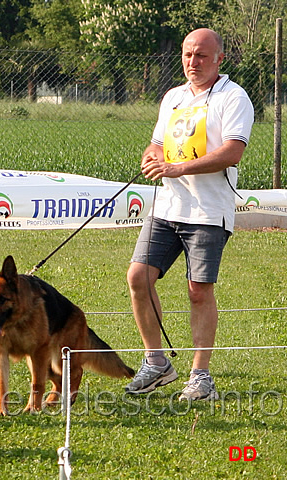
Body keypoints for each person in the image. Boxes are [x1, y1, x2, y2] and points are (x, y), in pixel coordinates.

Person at [124, 28, 254, 401]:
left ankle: (201, 377)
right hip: (167, 207)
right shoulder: (174, 97)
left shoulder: (233, 97)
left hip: (209, 211)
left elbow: (232, 152)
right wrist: (151, 156)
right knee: (138, 277)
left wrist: (179, 169)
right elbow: (159, 143)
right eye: (186, 55)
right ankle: (156, 363)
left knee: (198, 291)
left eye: (200, 56)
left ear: (219, 59)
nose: (192, 63)